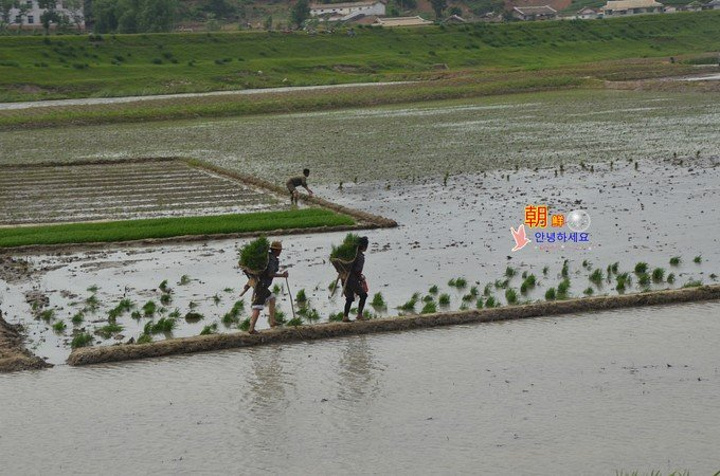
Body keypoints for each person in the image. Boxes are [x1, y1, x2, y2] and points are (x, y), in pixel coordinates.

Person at [248, 240, 288, 334]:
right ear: (276, 250)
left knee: (272, 298)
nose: (280, 252)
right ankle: (251, 328)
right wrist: (282, 275)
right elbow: (270, 274)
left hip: (262, 285)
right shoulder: (271, 260)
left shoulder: (270, 257)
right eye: (279, 250)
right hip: (262, 285)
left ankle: (272, 321)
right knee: (257, 307)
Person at [342, 236, 369, 322]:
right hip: (352, 279)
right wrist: (360, 278)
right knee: (364, 295)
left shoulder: (352, 254)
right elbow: (357, 270)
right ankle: (359, 315)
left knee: (349, 298)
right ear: (364, 246)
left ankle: (345, 317)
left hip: (344, 278)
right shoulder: (360, 256)